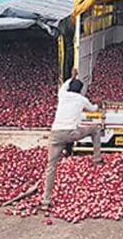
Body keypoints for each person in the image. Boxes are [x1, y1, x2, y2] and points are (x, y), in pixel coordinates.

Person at [41, 68, 102, 210]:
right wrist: (98, 104)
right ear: (81, 90)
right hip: (71, 133)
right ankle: (96, 158)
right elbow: (93, 110)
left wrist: (72, 77)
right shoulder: (82, 99)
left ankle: (46, 200)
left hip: (55, 134)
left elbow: (65, 85)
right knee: (96, 129)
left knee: (51, 166)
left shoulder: (62, 95)